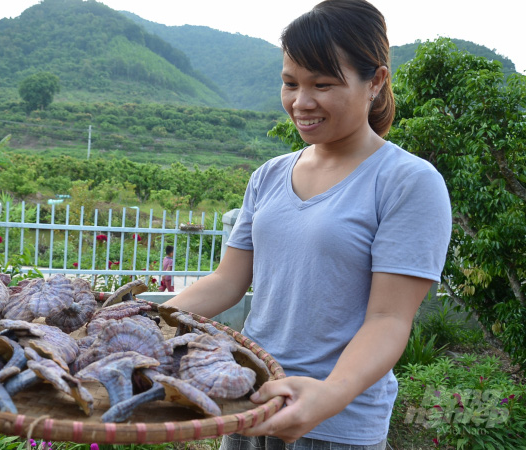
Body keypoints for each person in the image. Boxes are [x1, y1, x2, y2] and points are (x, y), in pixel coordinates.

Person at [163, 1, 452, 448]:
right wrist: (150, 321)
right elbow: (227, 281)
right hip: (250, 399)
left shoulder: (407, 182)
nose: (301, 102)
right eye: (290, 83)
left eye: (322, 84)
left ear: (375, 82)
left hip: (335, 421)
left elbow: (389, 318)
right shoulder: (270, 175)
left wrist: (331, 394)